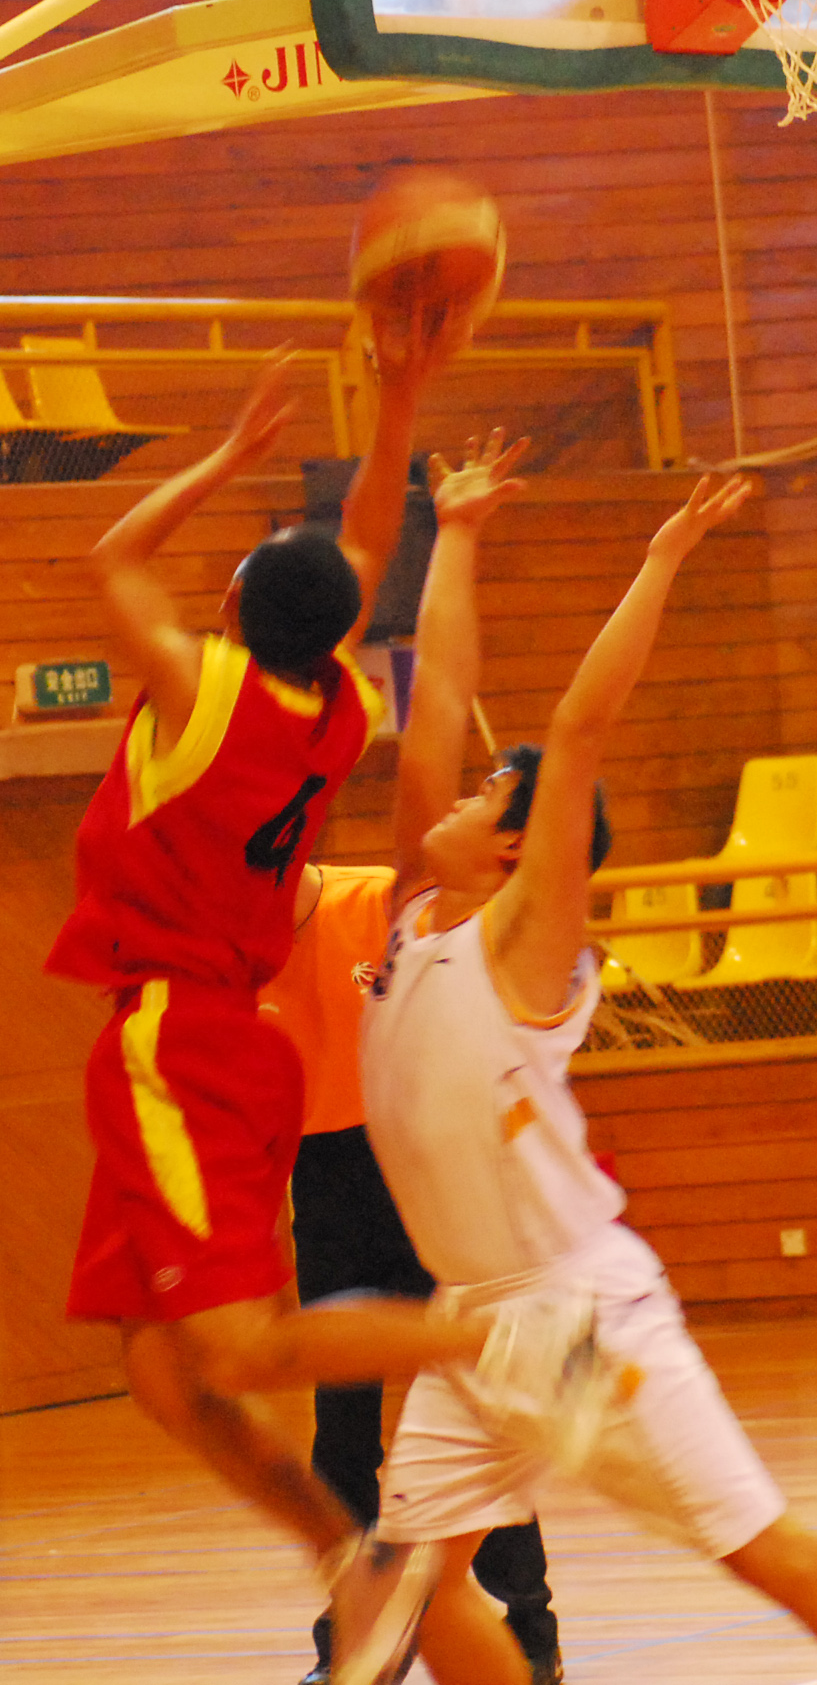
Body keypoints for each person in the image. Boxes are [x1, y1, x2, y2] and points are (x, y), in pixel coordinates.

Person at [359, 439, 817, 1685]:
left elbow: (580, 728)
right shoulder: (415, 913)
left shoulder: (527, 940)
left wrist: (665, 554)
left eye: (485, 793)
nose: (455, 797)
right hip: (471, 1321)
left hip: (571, 1315)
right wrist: (453, 533)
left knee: (754, 1545)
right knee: (409, 1578)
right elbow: (436, 691)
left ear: (520, 845)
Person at [42, 340, 548, 1685]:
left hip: (179, 1032)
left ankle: (501, 1336)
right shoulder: (332, 709)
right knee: (164, 1376)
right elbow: (364, 545)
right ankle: (349, 1556)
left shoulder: (202, 694)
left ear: (230, 604)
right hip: (225, 1036)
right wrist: (395, 403)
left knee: (245, 1346)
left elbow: (110, 555)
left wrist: (223, 454)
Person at [261, 863, 564, 1685]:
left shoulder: (378, 901)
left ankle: (530, 1631)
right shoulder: (235, 952)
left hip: (423, 1171)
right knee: (342, 1436)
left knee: (481, 1415)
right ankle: (352, 1644)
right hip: (325, 1187)